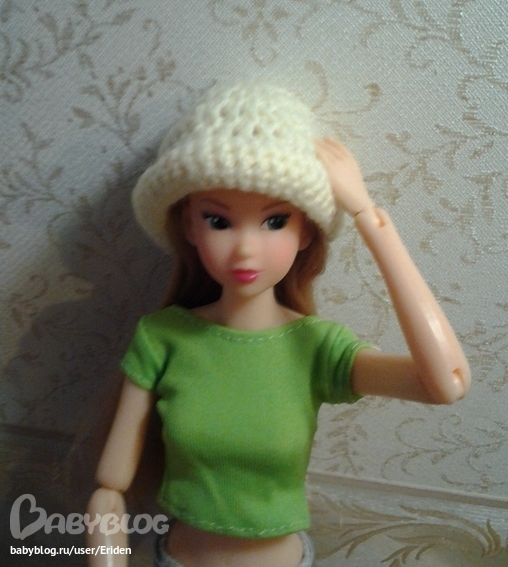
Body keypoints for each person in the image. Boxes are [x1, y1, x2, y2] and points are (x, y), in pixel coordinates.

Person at [86, 83, 471, 567]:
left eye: (274, 222)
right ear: (188, 225)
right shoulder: (163, 338)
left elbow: (446, 383)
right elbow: (109, 489)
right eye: (218, 221)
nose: (246, 250)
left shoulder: (317, 347)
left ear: (305, 229)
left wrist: (367, 216)